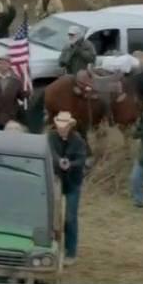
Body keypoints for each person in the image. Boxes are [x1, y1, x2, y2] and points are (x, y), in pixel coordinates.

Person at [48, 111, 88, 266]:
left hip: (73, 182)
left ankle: (71, 252)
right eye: (59, 126)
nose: (61, 129)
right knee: (51, 216)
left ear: (70, 126)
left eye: (64, 127)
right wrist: (59, 161)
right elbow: (50, 153)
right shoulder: (50, 137)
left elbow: (82, 159)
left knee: (70, 218)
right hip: (55, 181)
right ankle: (51, 247)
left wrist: (70, 164)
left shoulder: (78, 140)